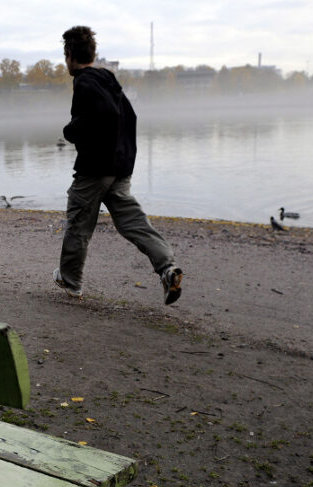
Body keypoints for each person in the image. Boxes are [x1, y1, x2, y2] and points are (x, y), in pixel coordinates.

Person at [54, 26, 183, 305]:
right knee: (132, 219)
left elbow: (105, 114)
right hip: (120, 166)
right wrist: (123, 152)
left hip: (95, 168)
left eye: (65, 56)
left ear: (69, 55)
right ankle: (167, 267)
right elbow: (128, 115)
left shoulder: (85, 82)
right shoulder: (107, 78)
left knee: (79, 222)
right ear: (93, 52)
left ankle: (70, 280)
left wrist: (71, 131)